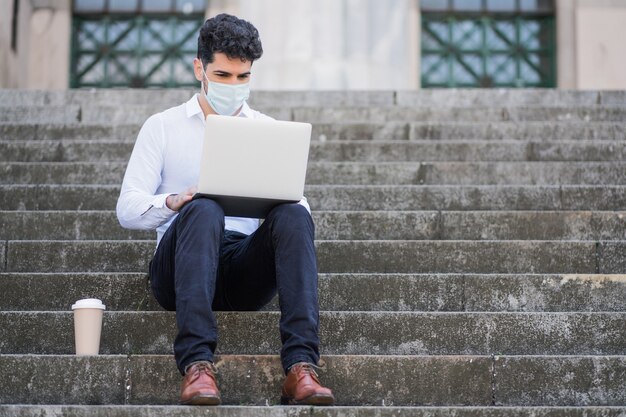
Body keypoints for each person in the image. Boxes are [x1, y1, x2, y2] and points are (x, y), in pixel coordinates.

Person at [116, 13, 334, 406]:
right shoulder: (162, 127)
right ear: (199, 67)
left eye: (243, 77)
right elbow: (128, 208)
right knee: (204, 207)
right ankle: (197, 364)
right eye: (222, 76)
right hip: (180, 265)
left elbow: (297, 213)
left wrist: (280, 197)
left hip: (241, 267)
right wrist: (174, 201)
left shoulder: (265, 129)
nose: (234, 86)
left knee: (295, 213)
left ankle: (301, 365)